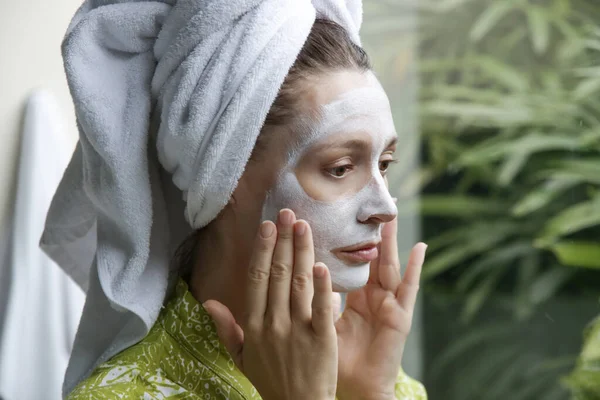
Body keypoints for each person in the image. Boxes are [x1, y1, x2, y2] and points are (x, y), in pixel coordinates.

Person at [44, 1, 427, 399]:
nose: (386, 208)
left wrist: (369, 392)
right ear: (224, 176)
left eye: (384, 164)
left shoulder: (373, 376)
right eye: (341, 168)